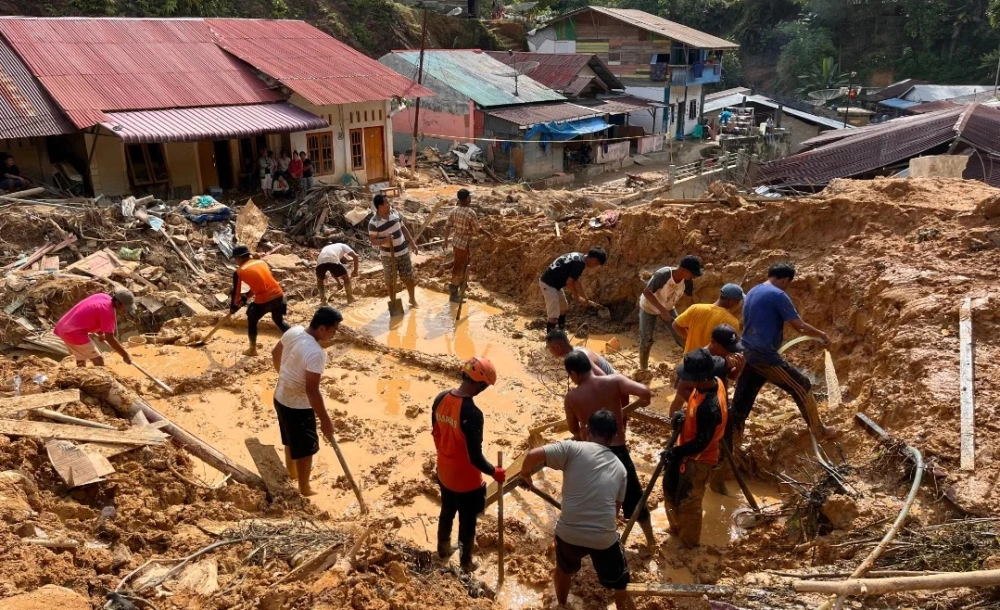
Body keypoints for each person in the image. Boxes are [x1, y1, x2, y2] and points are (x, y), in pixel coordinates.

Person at [520, 410, 635, 610]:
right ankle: (621, 605)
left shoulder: (572, 448)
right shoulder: (621, 468)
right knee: (620, 582)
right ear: (613, 437)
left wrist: (525, 475)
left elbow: (533, 455)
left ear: (586, 430)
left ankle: (563, 604)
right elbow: (615, 512)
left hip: (569, 533)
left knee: (563, 570)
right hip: (603, 538)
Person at [730, 262, 836, 445]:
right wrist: (822, 335)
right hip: (764, 356)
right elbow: (800, 326)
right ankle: (820, 431)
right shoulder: (778, 295)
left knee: (742, 401)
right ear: (785, 280)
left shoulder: (754, 290)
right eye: (788, 283)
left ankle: (731, 440)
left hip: (747, 351)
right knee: (802, 386)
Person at [563, 351, 655, 548]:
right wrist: (620, 414)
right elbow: (646, 394)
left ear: (573, 374)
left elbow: (573, 429)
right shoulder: (614, 381)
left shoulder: (572, 397)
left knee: (594, 499)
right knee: (634, 497)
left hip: (591, 455)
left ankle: (592, 540)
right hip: (618, 450)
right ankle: (650, 541)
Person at [432, 357, 505, 573]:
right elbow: (475, 457)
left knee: (446, 511)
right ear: (480, 384)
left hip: (444, 471)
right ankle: (466, 563)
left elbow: (436, 434)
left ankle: (443, 551)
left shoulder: (440, 398)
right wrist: (494, 471)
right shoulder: (473, 414)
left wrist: (447, 456)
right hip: (466, 481)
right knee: (467, 522)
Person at [271, 306, 342, 496]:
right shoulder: (316, 353)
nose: (333, 334)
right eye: (333, 330)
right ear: (322, 329)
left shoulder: (294, 331)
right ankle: (304, 488)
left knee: (289, 439)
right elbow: (312, 390)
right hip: (298, 406)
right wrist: (326, 421)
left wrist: (284, 376)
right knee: (305, 450)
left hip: (280, 397)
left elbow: (274, 353)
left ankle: (292, 474)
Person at [662, 348, 728, 548]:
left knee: (688, 502)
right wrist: (682, 416)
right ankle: (675, 528)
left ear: (700, 378)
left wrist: (675, 452)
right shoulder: (712, 383)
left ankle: (689, 544)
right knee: (670, 489)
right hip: (686, 449)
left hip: (699, 459)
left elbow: (702, 443)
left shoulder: (709, 407)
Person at [637, 255, 703, 370]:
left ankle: (691, 365)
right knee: (646, 339)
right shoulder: (663, 275)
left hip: (668, 307)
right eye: (692, 274)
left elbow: (689, 299)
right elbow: (647, 292)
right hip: (648, 307)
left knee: (682, 336)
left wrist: (690, 318)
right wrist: (662, 310)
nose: (693, 277)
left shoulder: (687, 281)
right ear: (683, 270)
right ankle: (643, 369)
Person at [229, 245, 291, 356]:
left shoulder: (239, 271)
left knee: (252, 318)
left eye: (235, 259)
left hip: (265, 299)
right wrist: (246, 296)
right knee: (278, 321)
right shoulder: (261, 263)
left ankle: (252, 349)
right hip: (279, 295)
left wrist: (233, 307)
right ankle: (299, 341)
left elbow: (236, 293)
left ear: (239, 258)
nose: (236, 261)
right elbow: (260, 283)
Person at [53, 290, 136, 368]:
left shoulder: (103, 296)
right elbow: (109, 338)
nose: (125, 310)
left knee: (81, 355)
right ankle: (102, 380)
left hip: (63, 326)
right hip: (73, 332)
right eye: (124, 307)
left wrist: (101, 333)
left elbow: (94, 314)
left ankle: (81, 376)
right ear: (117, 303)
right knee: (99, 361)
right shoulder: (108, 313)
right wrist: (125, 355)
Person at [368, 194, 419, 309]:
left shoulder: (394, 213)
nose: (389, 204)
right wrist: (385, 240)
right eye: (386, 203)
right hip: (388, 256)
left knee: (409, 277)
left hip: (403, 252)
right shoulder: (374, 223)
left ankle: (412, 299)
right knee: (390, 280)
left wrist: (412, 242)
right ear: (380, 207)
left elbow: (403, 228)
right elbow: (373, 241)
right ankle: (393, 302)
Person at [539, 248, 607, 332]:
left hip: (555, 285)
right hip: (549, 285)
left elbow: (576, 281)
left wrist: (585, 297)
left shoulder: (579, 257)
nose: (594, 267)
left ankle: (561, 333)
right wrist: (575, 295)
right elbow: (569, 282)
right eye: (596, 264)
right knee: (553, 315)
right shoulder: (580, 263)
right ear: (595, 260)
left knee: (563, 308)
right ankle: (550, 342)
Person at [672, 283, 744, 355]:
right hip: (711, 363)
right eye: (738, 302)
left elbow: (676, 325)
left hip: (689, 360)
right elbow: (728, 348)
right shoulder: (732, 322)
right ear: (732, 303)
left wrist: (689, 338)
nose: (739, 304)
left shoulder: (695, 308)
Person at [444, 188, 478, 303]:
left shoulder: (454, 211)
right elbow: (477, 229)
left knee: (461, 266)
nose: (470, 198)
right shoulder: (470, 213)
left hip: (456, 242)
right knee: (459, 267)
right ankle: (454, 294)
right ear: (467, 199)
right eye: (469, 197)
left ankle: (460, 289)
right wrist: (487, 234)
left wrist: (445, 240)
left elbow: (448, 226)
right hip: (464, 243)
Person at [545, 328, 615, 377]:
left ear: (557, 348)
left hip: (613, 386)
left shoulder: (581, 357)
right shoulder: (573, 354)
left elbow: (604, 378)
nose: (549, 350)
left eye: (549, 347)